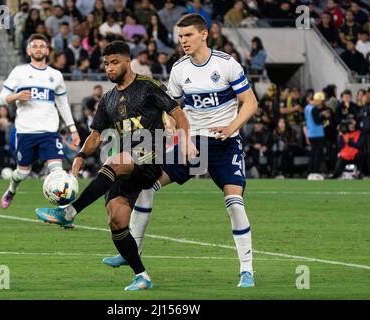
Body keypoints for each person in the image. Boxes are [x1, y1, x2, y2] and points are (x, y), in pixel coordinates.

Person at [101, 14, 258, 288]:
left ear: (203, 35)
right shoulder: (179, 69)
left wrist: (232, 126)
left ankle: (247, 270)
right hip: (192, 144)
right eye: (180, 36)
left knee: (234, 201)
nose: (183, 41)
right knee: (146, 184)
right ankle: (133, 251)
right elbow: (170, 109)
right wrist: (173, 128)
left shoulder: (226, 64)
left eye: (188, 35)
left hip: (223, 144)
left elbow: (250, 102)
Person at [35, 40, 195, 291]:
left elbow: (178, 113)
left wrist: (185, 141)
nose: (109, 68)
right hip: (125, 166)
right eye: (106, 64)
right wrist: (80, 155)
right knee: (117, 221)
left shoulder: (148, 87)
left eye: (114, 63)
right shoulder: (108, 99)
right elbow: (96, 135)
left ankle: (69, 212)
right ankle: (142, 276)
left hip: (149, 158)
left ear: (127, 61)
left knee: (115, 160)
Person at [0, 33, 80, 209]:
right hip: (25, 132)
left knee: (57, 171)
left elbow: (63, 104)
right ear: (29, 50)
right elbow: (2, 98)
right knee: (22, 172)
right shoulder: (19, 72)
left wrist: (73, 130)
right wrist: (17, 96)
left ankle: (63, 211)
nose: (38, 49)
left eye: (42, 46)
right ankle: (12, 190)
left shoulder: (56, 75)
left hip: (50, 133)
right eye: (34, 46)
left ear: (47, 50)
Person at [304, 92, 331, 180]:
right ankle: (315, 172)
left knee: (313, 153)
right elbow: (317, 121)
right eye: (321, 101)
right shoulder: (314, 109)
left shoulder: (307, 107)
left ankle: (311, 172)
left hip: (311, 133)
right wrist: (324, 116)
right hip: (318, 134)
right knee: (318, 154)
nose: (322, 103)